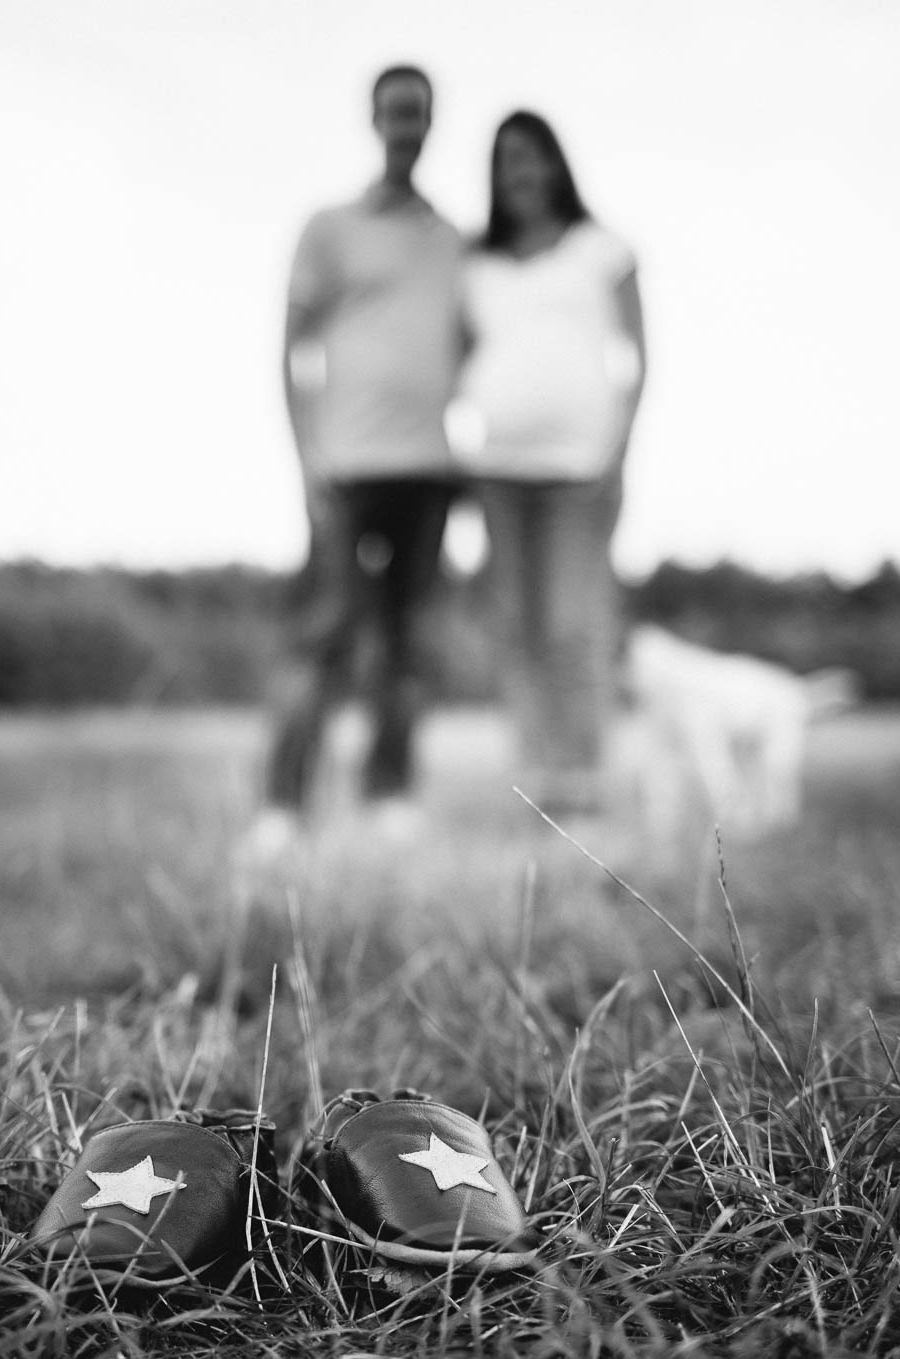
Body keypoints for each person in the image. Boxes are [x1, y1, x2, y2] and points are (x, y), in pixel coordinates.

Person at [249, 65, 462, 853]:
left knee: (409, 645)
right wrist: (307, 462)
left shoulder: (452, 240)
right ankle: (281, 806)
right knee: (322, 638)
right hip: (345, 468)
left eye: (418, 113)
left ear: (432, 123)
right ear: (374, 119)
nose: (406, 125)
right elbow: (289, 349)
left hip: (432, 473)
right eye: (395, 111)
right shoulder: (328, 227)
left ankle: (390, 798)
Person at [448, 110, 646, 810]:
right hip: (498, 468)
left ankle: (586, 784)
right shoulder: (475, 260)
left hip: (579, 469)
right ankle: (535, 786)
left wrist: (618, 453)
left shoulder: (601, 248)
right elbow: (459, 354)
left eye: (530, 156)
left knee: (572, 624)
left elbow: (637, 358)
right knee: (516, 629)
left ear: (556, 162)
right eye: (506, 159)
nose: (520, 171)